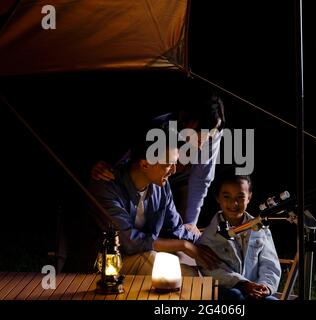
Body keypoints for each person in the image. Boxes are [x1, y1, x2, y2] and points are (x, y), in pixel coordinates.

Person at [91, 91, 225, 235]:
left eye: (210, 135)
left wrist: (191, 224)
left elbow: (201, 178)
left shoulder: (213, 135)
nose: (203, 141)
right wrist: (106, 170)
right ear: (184, 118)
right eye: (200, 130)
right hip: (147, 179)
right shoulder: (159, 126)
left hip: (179, 180)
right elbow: (134, 160)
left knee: (179, 229)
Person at [89, 129, 218, 275]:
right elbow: (129, 241)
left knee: (202, 262)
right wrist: (184, 245)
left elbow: (174, 229)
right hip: (108, 263)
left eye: (174, 164)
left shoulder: (160, 185)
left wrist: (208, 241)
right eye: (168, 165)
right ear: (145, 164)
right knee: (184, 272)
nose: (174, 171)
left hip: (144, 254)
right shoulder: (106, 186)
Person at [196, 168, 281, 300]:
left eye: (240, 197)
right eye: (227, 196)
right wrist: (242, 283)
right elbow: (211, 270)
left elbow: (270, 264)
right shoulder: (209, 236)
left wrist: (265, 286)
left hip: (256, 291)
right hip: (227, 291)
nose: (233, 203)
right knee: (235, 296)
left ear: (249, 197)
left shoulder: (260, 228)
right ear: (217, 197)